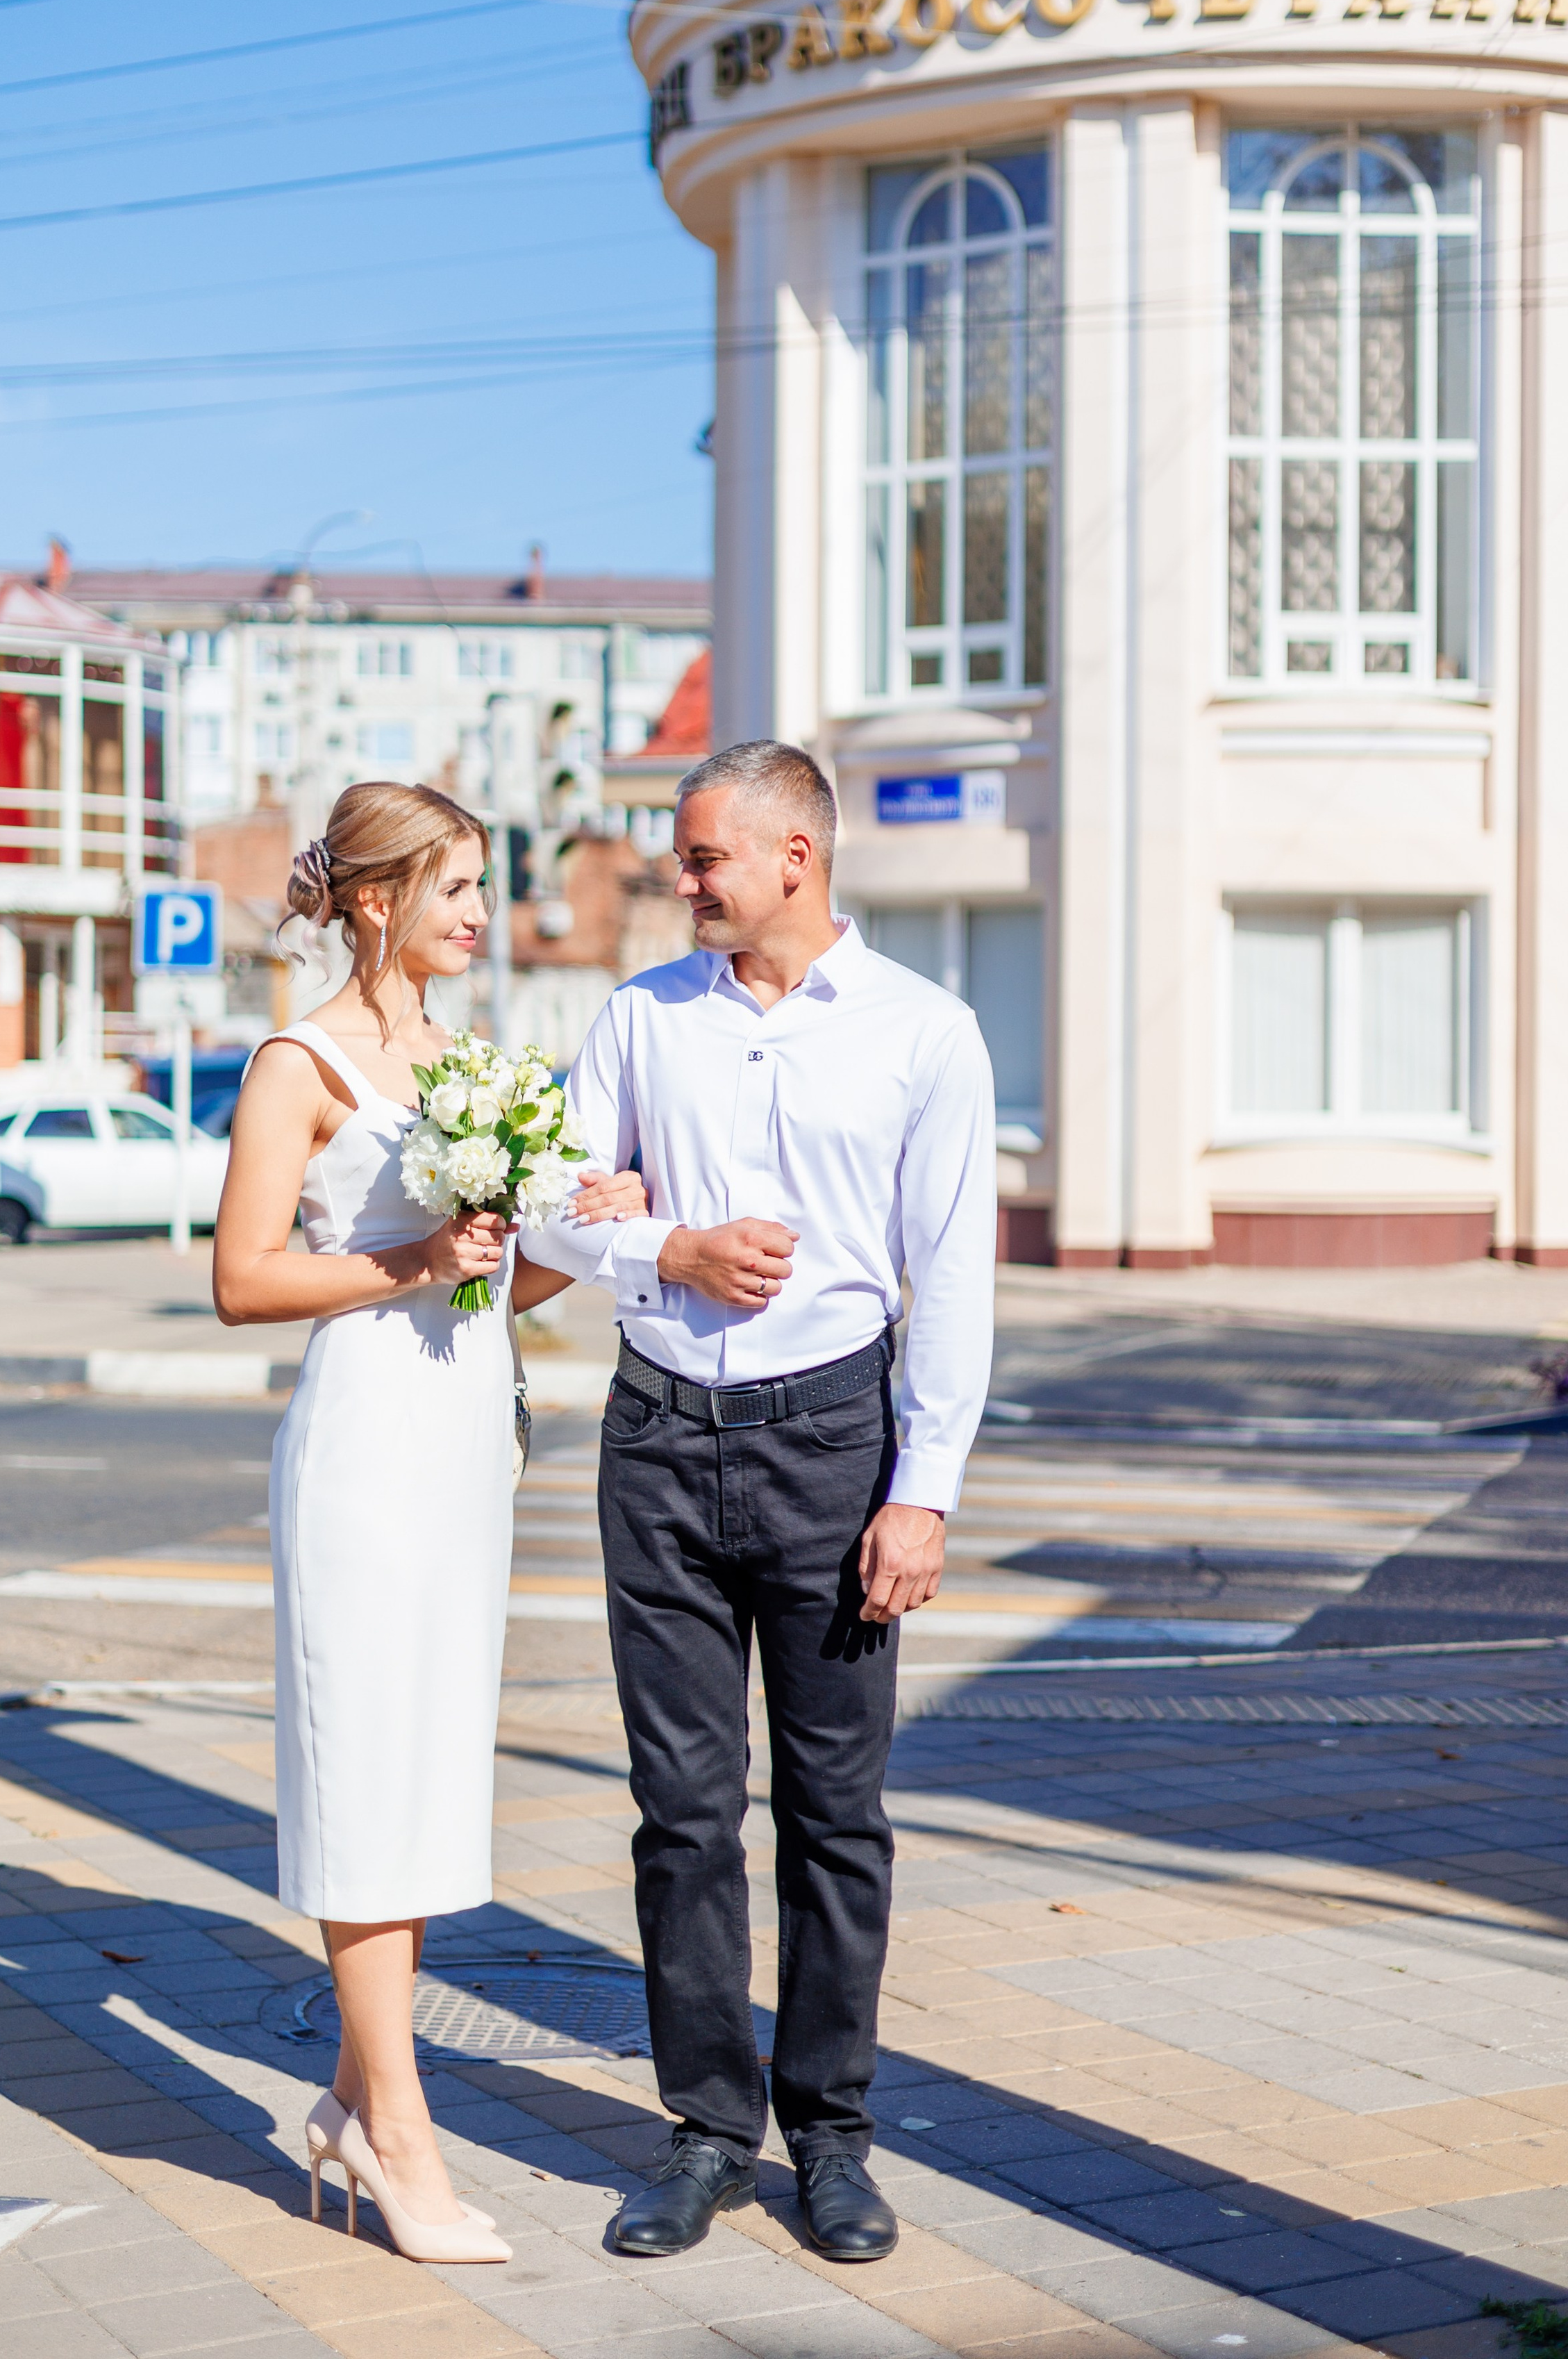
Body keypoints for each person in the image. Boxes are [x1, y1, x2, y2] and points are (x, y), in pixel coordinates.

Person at [526, 740, 996, 2262]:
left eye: (701, 858)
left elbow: (956, 1285)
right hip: (657, 1440)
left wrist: (919, 1492)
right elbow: (549, 1201)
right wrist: (664, 1247)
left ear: (793, 858)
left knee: (834, 1816)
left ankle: (834, 2137)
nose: (679, 881)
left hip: (834, 1448)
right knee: (678, 1816)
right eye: (680, 857)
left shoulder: (925, 1034)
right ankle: (707, 2132)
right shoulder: (637, 1019)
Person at [212, 779, 643, 2265]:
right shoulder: (297, 1061)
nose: (482, 911)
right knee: (364, 1780)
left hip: (464, 1444)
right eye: (458, 885)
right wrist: (411, 1256)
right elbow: (245, 1280)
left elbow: (486, 1280)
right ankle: (399, 2129)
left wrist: (573, 1241)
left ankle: (347, 2099)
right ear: (380, 898)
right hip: (363, 1448)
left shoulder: (468, 1062)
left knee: (421, 1774)